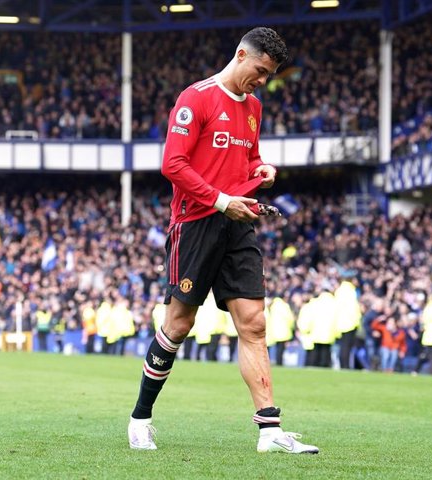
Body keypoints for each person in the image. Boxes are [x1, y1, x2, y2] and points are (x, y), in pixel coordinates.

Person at [128, 27, 318, 454]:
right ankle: (141, 418)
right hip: (195, 223)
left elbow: (248, 156)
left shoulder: (254, 107)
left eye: (269, 75)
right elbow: (172, 164)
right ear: (240, 55)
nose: (262, 80)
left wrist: (262, 167)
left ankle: (270, 431)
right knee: (179, 324)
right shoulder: (195, 98)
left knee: (254, 323)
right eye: (260, 70)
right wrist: (218, 200)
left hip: (239, 222)